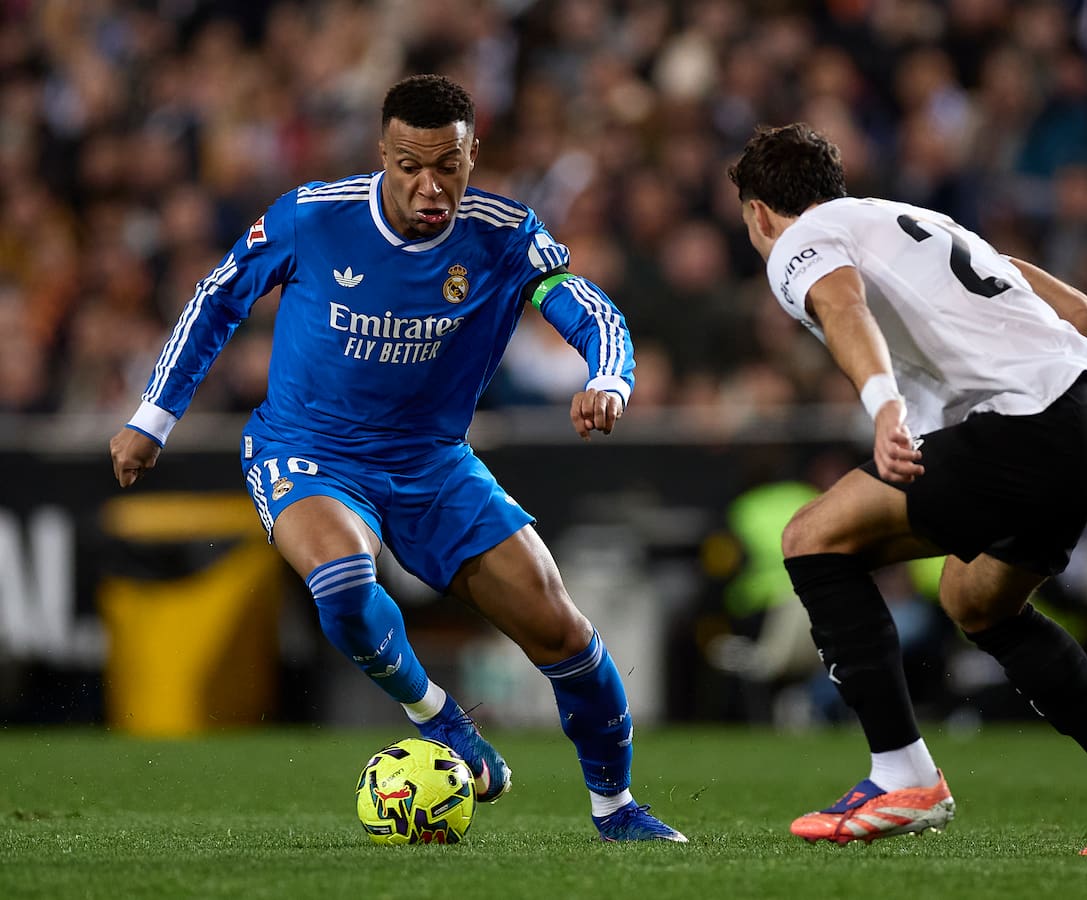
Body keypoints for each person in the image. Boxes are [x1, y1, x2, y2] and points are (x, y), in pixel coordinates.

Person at [108, 74, 685, 843]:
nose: (429, 185)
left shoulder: (504, 233)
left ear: (472, 154)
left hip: (433, 464)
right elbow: (218, 298)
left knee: (563, 633)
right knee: (344, 582)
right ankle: (441, 719)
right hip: (307, 452)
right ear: (382, 153)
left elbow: (582, 303)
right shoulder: (313, 217)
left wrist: (607, 377)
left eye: (447, 164)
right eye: (410, 165)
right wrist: (154, 415)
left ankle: (618, 813)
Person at [727, 122, 1087, 855]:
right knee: (976, 600)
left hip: (1028, 425)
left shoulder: (799, 239)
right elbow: (1086, 316)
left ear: (758, 212)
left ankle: (900, 773)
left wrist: (884, 404)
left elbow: (843, 304)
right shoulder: (914, 221)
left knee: (812, 535)